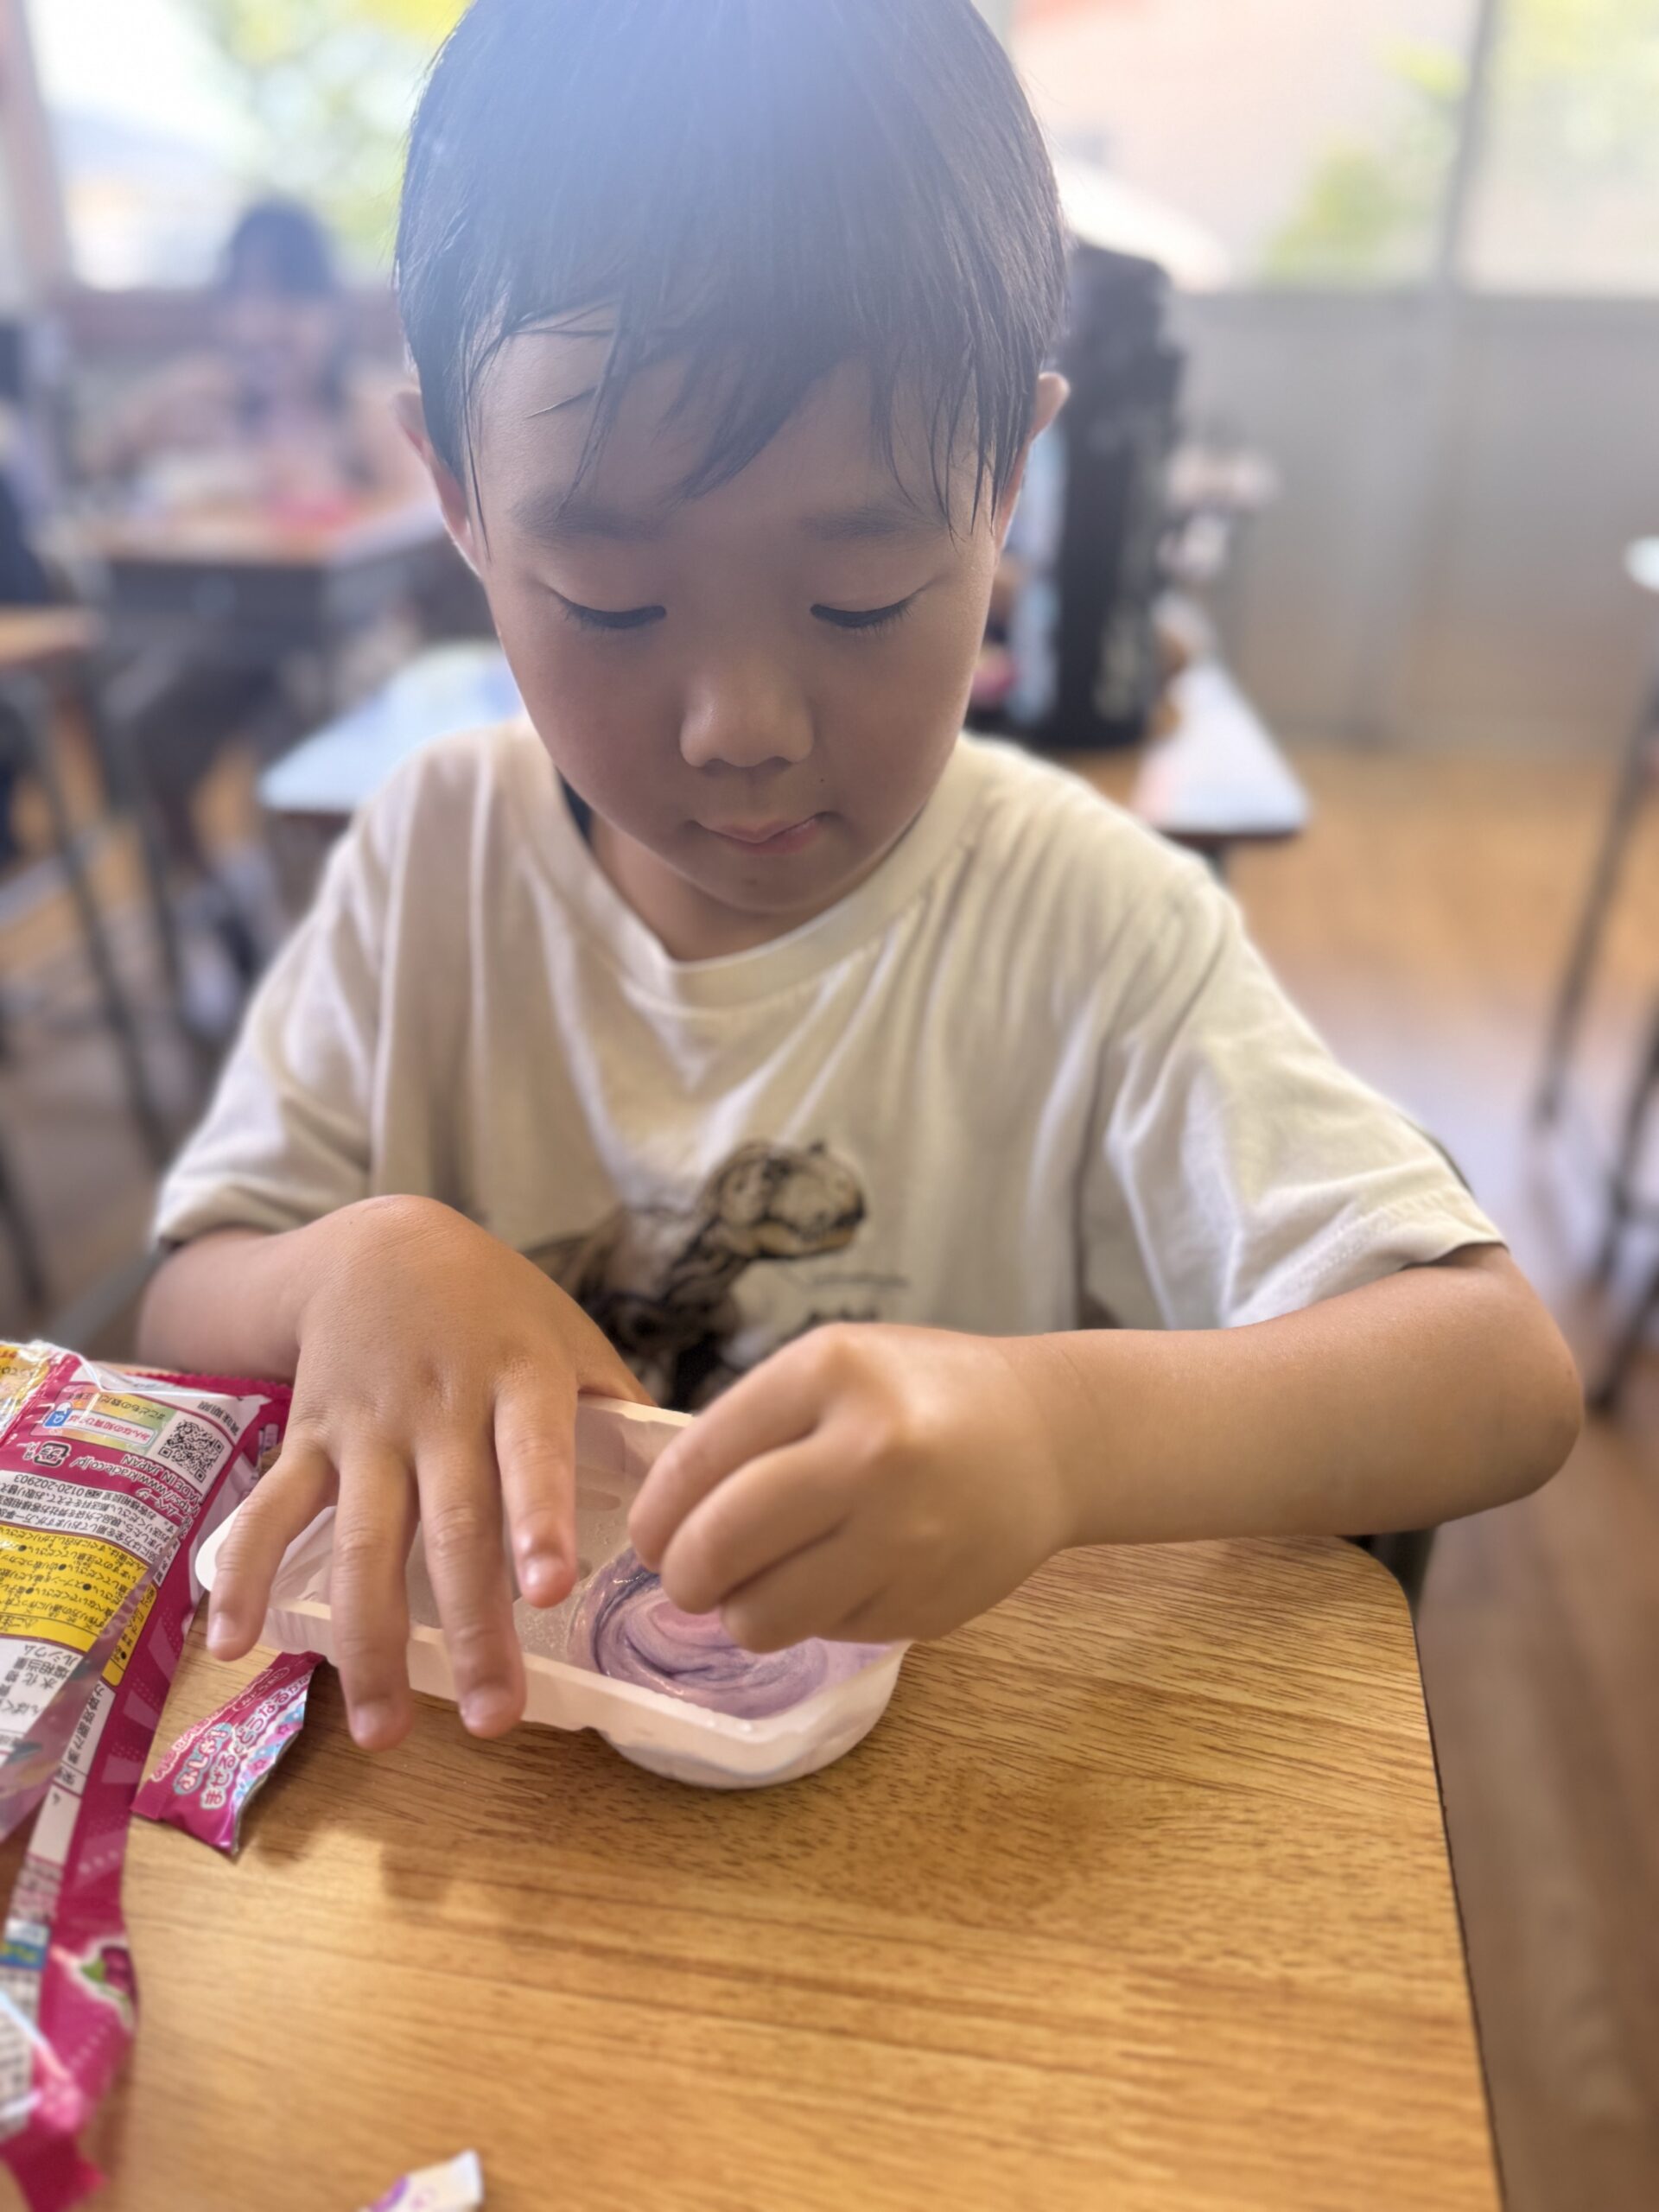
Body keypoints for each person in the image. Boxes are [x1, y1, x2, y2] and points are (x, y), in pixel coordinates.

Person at [137, 0, 1580, 1755]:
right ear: (456, 494)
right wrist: (344, 1270)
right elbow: (189, 1287)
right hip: (503, 1791)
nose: (741, 726)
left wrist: (1060, 1436)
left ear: (1009, 482)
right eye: (612, 603)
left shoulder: (1088, 924)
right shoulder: (429, 857)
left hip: (939, 1825)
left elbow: (1498, 1371)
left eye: (859, 599)